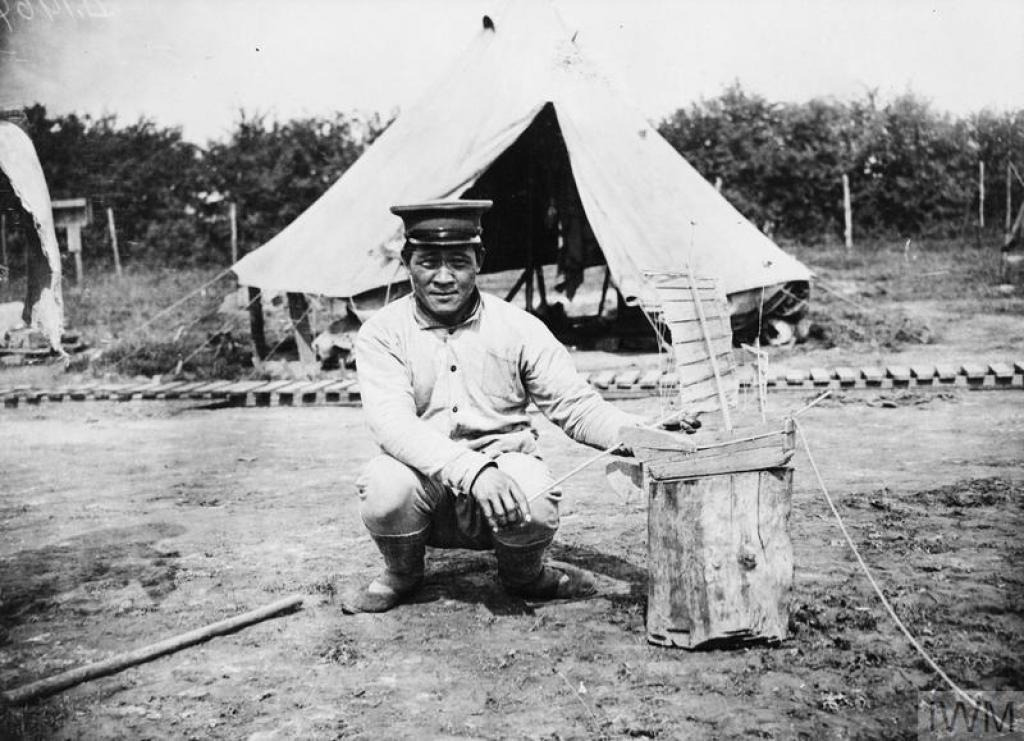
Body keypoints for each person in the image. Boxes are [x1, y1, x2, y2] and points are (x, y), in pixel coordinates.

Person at [343, 199, 693, 614]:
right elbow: (393, 426)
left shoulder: (520, 328)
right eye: (427, 262)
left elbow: (576, 406)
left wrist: (639, 432)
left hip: (504, 487)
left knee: (536, 489)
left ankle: (524, 574)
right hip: (424, 487)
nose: (443, 277)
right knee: (384, 486)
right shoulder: (382, 333)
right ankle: (402, 572)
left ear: (480, 262)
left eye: (458, 261)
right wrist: (473, 473)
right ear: (406, 262)